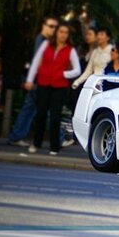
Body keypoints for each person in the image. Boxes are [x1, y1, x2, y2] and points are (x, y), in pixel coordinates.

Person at [26, 23, 81, 155]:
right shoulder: (46, 45)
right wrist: (29, 79)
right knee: (40, 114)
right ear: (56, 32)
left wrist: (64, 74)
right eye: (61, 31)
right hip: (43, 83)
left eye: (66, 32)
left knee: (55, 116)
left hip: (59, 87)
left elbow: (77, 70)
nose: (63, 34)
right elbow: (35, 62)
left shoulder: (70, 50)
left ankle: (54, 146)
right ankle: (36, 143)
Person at [7, 16, 59, 146]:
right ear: (44, 25)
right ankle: (60, 137)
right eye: (51, 26)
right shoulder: (41, 41)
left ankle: (16, 136)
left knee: (32, 109)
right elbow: (39, 62)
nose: (54, 29)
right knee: (43, 108)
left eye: (55, 27)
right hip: (39, 81)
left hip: (37, 81)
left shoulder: (42, 40)